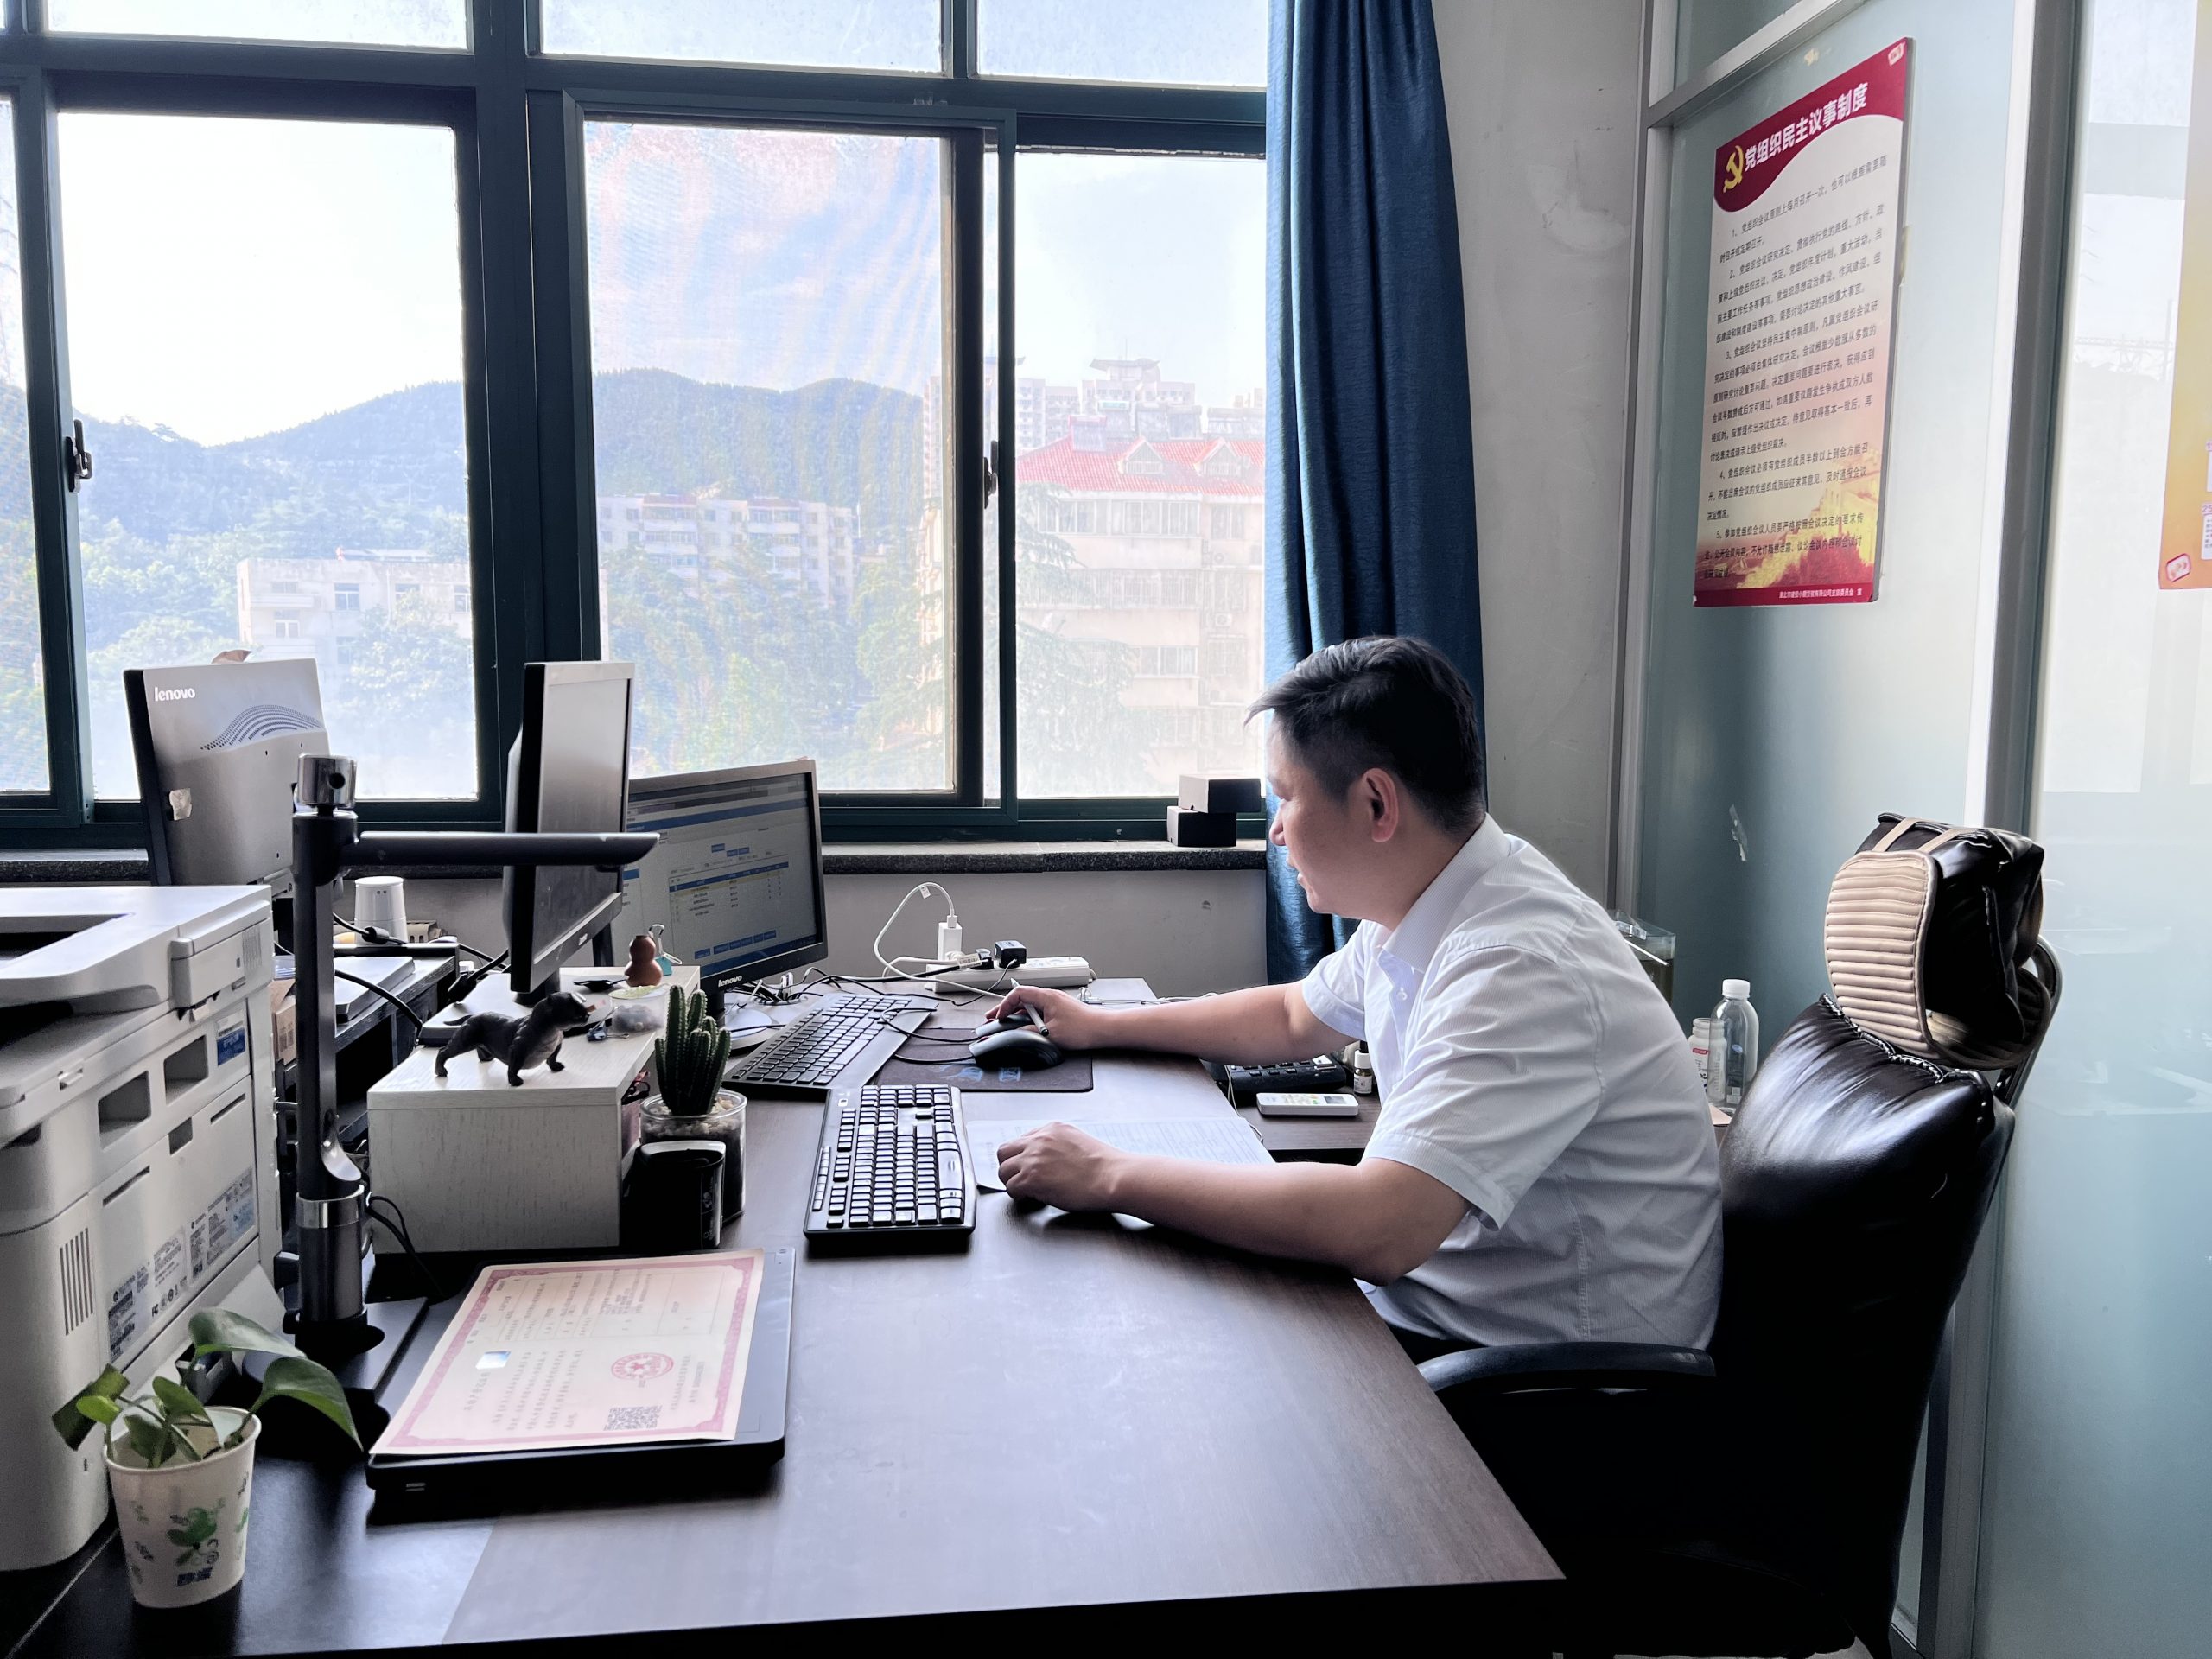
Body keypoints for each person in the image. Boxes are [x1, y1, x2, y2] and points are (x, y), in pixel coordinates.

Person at [989, 636, 1722, 1354]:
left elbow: (1381, 1228)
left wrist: (1109, 1174)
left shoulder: (1519, 965)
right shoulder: (1439, 895)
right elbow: (1292, 1017)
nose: (1276, 831)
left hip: (1553, 1380)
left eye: (1286, 797)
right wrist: (1099, 1024)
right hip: (1450, 1314)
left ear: (1376, 804)